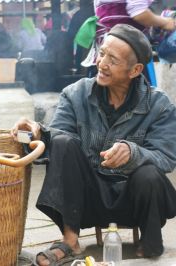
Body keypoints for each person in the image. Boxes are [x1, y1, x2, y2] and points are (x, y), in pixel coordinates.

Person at [11, 24, 176, 265]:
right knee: (62, 142)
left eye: (113, 59)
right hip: (86, 199)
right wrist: (39, 132)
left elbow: (166, 157)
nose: (102, 63)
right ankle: (70, 241)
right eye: (102, 53)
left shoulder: (160, 105)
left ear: (135, 70)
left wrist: (133, 153)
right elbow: (59, 139)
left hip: (132, 199)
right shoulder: (75, 93)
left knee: (150, 173)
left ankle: (150, 242)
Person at [83, 0, 176, 73]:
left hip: (107, 46)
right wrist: (165, 22)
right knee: (131, 92)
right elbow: (139, 13)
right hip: (125, 51)